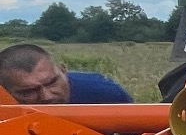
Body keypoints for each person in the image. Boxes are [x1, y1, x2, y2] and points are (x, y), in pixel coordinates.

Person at [0, 42, 132, 106]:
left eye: (52, 82)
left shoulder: (106, 94)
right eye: (28, 92)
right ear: (4, 91)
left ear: (63, 70)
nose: (46, 96)